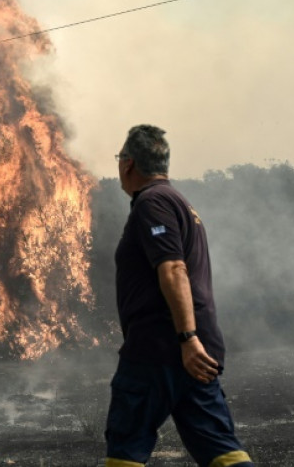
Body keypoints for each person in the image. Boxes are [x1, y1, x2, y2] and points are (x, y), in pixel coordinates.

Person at [104, 125, 253, 467]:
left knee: (125, 445)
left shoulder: (152, 203)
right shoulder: (179, 202)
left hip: (160, 348)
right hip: (193, 352)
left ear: (128, 164)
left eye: (119, 160)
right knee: (222, 449)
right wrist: (193, 342)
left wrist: (187, 338)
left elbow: (173, 269)